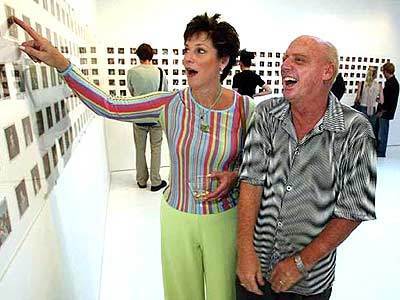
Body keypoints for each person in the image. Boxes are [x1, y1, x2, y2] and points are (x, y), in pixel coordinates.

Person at [13, 13, 254, 300]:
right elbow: (109, 105)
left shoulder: (245, 109)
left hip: (224, 220)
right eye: (186, 50)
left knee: (224, 294)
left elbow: (259, 165)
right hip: (177, 218)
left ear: (223, 61)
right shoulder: (169, 103)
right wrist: (62, 65)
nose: (188, 58)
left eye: (200, 51)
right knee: (181, 294)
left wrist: (236, 174)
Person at [236, 35, 376, 300]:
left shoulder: (356, 130)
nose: (285, 65)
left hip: (309, 282)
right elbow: (251, 181)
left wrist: (301, 263)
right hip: (253, 272)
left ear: (327, 72)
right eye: (285, 58)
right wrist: (245, 251)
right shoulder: (266, 114)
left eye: (298, 60)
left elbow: (354, 209)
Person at [127, 43, 168, 191]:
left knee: (140, 149)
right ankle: (156, 181)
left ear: (138, 56)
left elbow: (132, 92)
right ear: (152, 56)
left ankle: (141, 180)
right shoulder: (160, 72)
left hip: (139, 117)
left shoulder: (132, 72)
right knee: (156, 149)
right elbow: (164, 93)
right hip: (156, 117)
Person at [376, 62, 399, 157]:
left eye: (383, 72)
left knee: (383, 133)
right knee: (381, 132)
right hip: (385, 112)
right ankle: (379, 151)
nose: (383, 74)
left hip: (385, 113)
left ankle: (381, 153)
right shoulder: (391, 82)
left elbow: (390, 101)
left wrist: (382, 111)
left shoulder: (392, 84)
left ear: (386, 71)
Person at [353, 66, 384, 131]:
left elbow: (358, 98)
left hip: (362, 108)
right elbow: (381, 101)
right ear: (375, 75)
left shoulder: (361, 84)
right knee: (371, 131)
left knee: (360, 130)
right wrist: (375, 99)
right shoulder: (379, 86)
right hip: (372, 109)